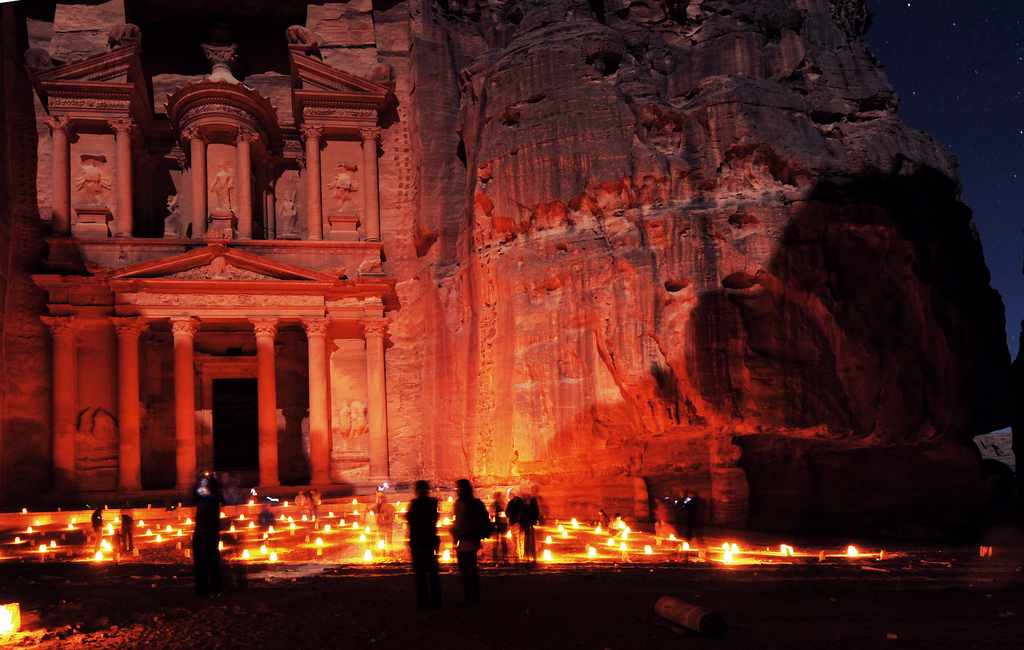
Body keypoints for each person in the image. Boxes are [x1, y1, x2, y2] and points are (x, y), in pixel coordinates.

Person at [406, 480, 441, 610]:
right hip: (430, 541)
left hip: (418, 542)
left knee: (420, 574)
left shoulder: (415, 504)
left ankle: (423, 601)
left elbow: (410, 518)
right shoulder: (433, 503)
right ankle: (436, 601)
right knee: (433, 574)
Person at [451, 479, 485, 605]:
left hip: (464, 541)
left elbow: (459, 523)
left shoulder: (460, 504)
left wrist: (454, 532)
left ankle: (468, 598)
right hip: (474, 540)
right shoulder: (475, 503)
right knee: (473, 570)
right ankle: (476, 596)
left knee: (465, 572)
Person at [193, 472, 225, 598]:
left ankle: (215, 589)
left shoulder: (215, 497)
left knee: (213, 563)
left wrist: (214, 482)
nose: (203, 488)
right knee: (199, 563)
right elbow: (193, 497)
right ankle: (202, 590)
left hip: (211, 532)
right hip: (200, 532)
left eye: (205, 484)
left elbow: (220, 498)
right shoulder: (200, 498)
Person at [520, 488, 540, 564]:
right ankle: (528, 556)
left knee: (530, 541)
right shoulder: (527, 506)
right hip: (527, 525)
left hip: (529, 525)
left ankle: (531, 556)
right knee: (528, 541)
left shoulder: (530, 505)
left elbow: (535, 514)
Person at [374, 492, 397, 556]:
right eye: (379, 497)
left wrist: (387, 513)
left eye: (381, 497)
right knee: (382, 539)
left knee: (389, 540)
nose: (380, 498)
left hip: (388, 524)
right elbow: (371, 509)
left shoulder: (387, 506)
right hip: (381, 524)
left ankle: (390, 553)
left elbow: (394, 509)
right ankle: (383, 553)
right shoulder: (377, 505)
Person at [505, 489, 525, 561]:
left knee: (515, 538)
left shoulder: (512, 503)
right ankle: (521, 553)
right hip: (520, 522)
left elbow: (507, 513)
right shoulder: (521, 502)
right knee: (521, 538)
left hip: (514, 522)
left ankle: (516, 553)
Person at [491, 491, 509, 564]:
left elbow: (506, 514)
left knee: (503, 541)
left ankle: (503, 555)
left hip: (502, 524)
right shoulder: (494, 505)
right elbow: (491, 514)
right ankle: (496, 556)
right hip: (498, 525)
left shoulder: (503, 504)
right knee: (496, 542)